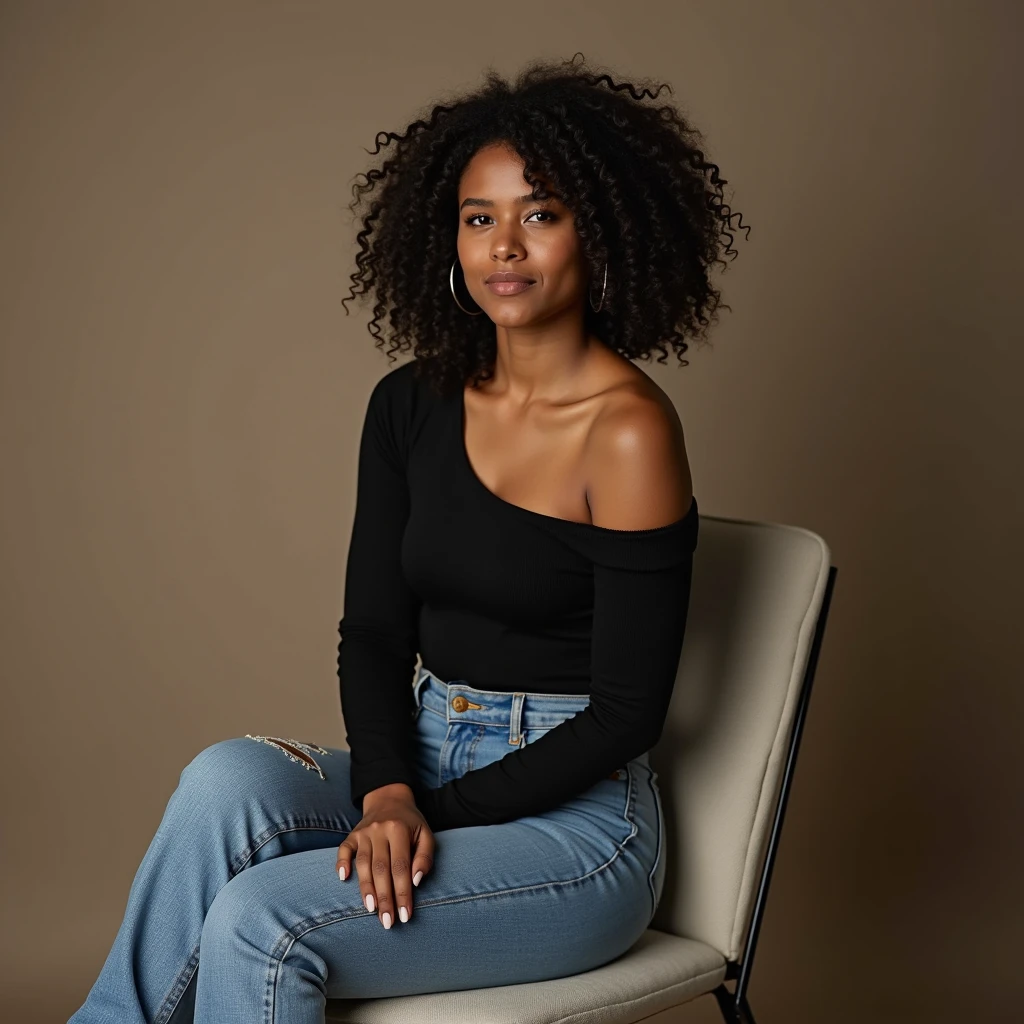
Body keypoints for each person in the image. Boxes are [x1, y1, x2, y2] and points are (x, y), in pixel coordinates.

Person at [69, 52, 748, 1024]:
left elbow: (627, 714)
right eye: (480, 218)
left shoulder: (628, 428)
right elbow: (376, 635)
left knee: (265, 921)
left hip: (574, 824)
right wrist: (391, 785)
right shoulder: (409, 404)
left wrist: (420, 815)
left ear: (601, 232)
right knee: (225, 779)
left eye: (540, 214)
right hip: (422, 758)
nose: (504, 246)